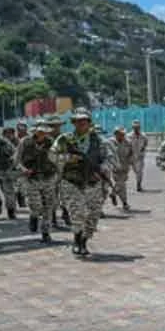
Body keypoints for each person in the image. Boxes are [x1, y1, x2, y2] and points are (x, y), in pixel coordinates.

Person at [52, 108, 113, 256]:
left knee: (93, 215)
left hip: (93, 181)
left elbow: (109, 158)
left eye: (84, 121)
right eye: (78, 121)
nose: (81, 124)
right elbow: (51, 156)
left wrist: (103, 169)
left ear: (89, 123)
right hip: (72, 181)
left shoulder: (99, 141)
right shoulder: (64, 139)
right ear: (73, 123)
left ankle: (85, 240)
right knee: (77, 212)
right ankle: (77, 239)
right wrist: (67, 158)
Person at [15, 122, 58, 243]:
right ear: (35, 131)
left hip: (48, 178)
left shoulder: (52, 142)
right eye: (40, 132)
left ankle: (46, 232)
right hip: (31, 179)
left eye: (44, 132)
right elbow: (17, 161)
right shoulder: (25, 142)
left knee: (49, 207)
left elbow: (58, 159)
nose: (42, 134)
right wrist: (24, 170)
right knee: (36, 206)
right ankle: (33, 216)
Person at [108, 126, 135, 211]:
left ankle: (114, 193)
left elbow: (131, 154)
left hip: (125, 166)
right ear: (115, 134)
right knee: (121, 184)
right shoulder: (110, 142)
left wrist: (131, 162)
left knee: (121, 184)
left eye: (122, 134)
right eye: (119, 134)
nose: (121, 136)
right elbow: (109, 155)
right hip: (114, 167)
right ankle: (124, 202)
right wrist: (113, 164)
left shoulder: (128, 142)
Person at [128, 119, 149, 191]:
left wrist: (143, 148)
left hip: (140, 156)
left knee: (139, 171)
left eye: (137, 127)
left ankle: (138, 184)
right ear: (132, 127)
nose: (136, 128)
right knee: (136, 171)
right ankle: (138, 181)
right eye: (135, 127)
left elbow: (146, 142)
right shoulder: (129, 136)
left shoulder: (143, 135)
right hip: (132, 156)